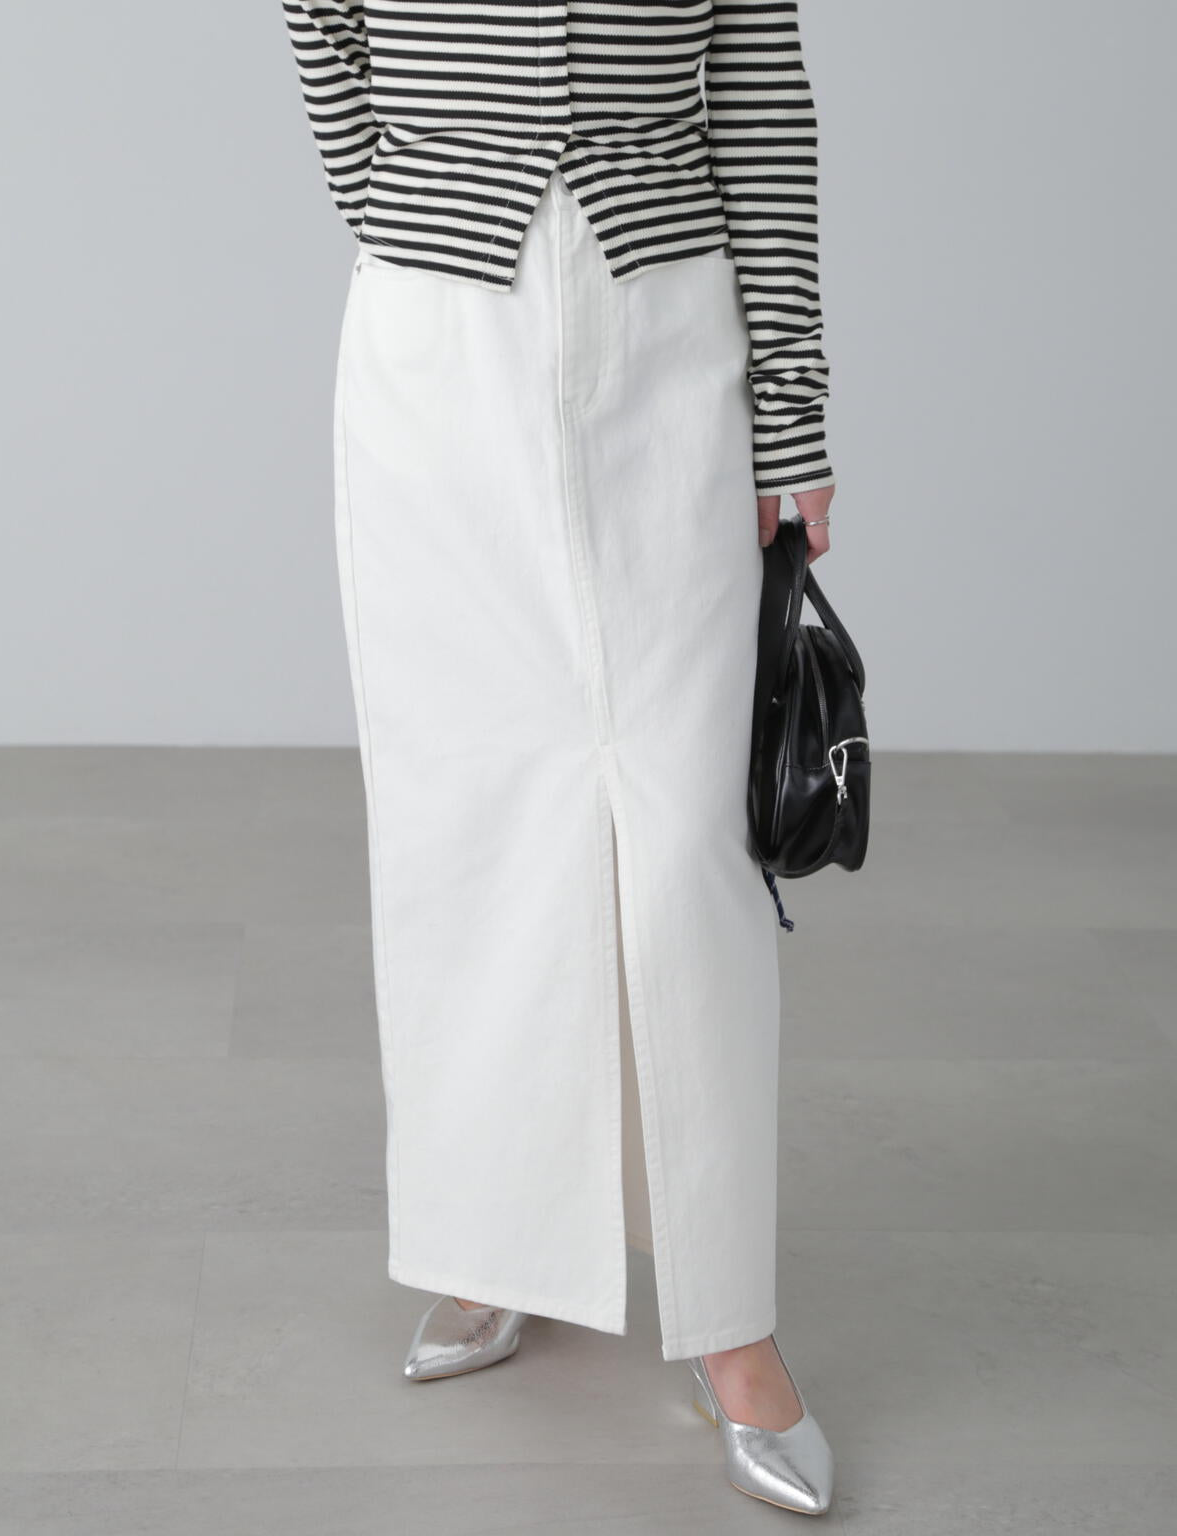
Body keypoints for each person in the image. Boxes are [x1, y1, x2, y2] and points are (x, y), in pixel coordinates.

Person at [282, 0, 837, 1514]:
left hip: (669, 315)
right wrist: (419, 201)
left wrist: (791, 412)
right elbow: (323, 29)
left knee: (686, 838)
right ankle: (494, 1242)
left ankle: (730, 1320)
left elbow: (760, 94)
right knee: (470, 816)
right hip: (435, 341)